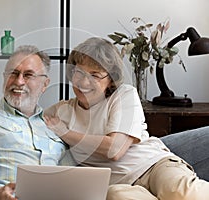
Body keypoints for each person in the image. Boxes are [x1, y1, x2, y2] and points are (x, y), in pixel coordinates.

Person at [43, 37, 209, 200]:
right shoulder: (60, 111)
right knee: (117, 195)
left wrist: (66, 133)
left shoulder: (123, 95)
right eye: (79, 73)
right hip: (120, 186)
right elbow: (27, 121)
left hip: (154, 167)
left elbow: (114, 150)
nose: (84, 82)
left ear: (110, 79)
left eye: (95, 75)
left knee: (181, 193)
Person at [0, 45, 69, 200]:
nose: (19, 81)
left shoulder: (55, 127)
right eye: (13, 73)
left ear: (45, 84)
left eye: (28, 75)